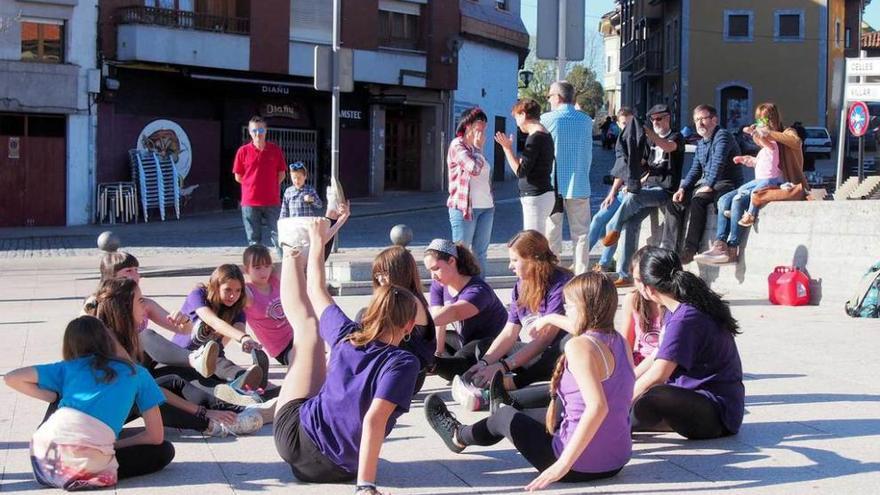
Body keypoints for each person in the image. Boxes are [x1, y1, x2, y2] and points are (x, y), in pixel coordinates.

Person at [423, 272, 634, 490]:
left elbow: (597, 407)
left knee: (503, 415)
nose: (566, 311)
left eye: (569, 306)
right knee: (547, 412)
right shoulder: (619, 342)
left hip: (578, 466)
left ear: (584, 308)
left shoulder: (579, 346)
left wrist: (561, 465)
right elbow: (583, 328)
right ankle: (507, 411)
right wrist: (549, 318)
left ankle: (459, 436)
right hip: (617, 460)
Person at [273, 218, 420, 495]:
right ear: (409, 326)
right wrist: (365, 486)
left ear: (372, 311)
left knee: (307, 331)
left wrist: (317, 242)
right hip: (335, 468)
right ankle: (292, 247)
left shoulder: (347, 335)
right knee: (318, 354)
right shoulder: (402, 362)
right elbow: (375, 420)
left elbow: (316, 289)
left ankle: (292, 248)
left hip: (293, 440)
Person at [4, 316, 175, 489]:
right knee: (164, 450)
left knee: (62, 404)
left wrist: (52, 396)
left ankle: (61, 471)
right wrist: (115, 445)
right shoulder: (138, 373)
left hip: (41, 456)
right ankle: (82, 472)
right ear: (108, 340)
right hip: (83, 461)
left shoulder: (67, 367)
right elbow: (155, 436)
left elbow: (12, 378)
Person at [85, 278, 266, 437]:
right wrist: (203, 415)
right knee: (148, 394)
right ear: (123, 306)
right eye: (140, 301)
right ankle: (212, 425)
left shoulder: (127, 331)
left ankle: (237, 406)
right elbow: (146, 389)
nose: (144, 305)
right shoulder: (103, 338)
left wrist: (185, 321)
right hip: (103, 415)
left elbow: (183, 331)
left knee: (175, 378)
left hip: (134, 391)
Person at [450, 230, 573, 411]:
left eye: (515, 260)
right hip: (537, 351)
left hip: (562, 355)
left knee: (556, 351)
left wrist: (503, 365)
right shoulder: (520, 285)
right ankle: (479, 379)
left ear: (533, 259)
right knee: (483, 348)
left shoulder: (560, 283)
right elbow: (509, 332)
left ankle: (500, 392)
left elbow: (544, 339)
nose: (510, 266)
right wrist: (484, 363)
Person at [631, 247, 744, 439]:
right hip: (702, 402)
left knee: (653, 395)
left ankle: (609, 424)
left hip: (716, 412)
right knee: (639, 399)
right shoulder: (679, 306)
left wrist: (614, 406)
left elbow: (658, 374)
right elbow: (656, 355)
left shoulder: (684, 318)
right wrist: (621, 384)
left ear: (648, 287)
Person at [96, 251, 219, 378]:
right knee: (144, 335)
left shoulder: (144, 304)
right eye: (128, 271)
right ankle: (194, 359)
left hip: (141, 365)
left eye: (136, 270)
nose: (136, 275)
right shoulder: (96, 303)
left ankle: (221, 388)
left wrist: (184, 321)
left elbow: (185, 331)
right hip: (119, 368)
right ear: (111, 276)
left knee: (184, 373)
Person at [600, 104, 685, 286]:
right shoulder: (650, 142)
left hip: (665, 191)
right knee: (630, 224)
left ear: (668, 118)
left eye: (659, 119)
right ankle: (625, 274)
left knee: (633, 196)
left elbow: (668, 147)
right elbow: (644, 164)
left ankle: (612, 226)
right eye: (653, 119)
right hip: (649, 189)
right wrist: (631, 178)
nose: (656, 122)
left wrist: (649, 134)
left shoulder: (676, 136)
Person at [696, 103, 784, 265]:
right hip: (757, 181)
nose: (759, 124)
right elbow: (759, 162)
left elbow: (767, 143)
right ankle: (720, 243)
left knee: (738, 200)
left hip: (767, 182)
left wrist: (753, 133)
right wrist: (746, 160)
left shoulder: (774, 144)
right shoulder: (764, 150)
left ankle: (732, 248)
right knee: (723, 200)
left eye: (763, 121)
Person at [665, 105, 743, 264]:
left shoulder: (723, 136)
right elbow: (695, 169)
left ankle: (690, 249)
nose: (700, 124)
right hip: (708, 183)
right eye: (696, 120)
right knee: (675, 203)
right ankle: (670, 250)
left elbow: (718, 163)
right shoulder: (701, 144)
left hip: (726, 183)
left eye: (703, 119)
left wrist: (709, 184)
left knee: (698, 200)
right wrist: (683, 188)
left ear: (714, 120)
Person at [424, 239, 508, 381]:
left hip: (494, 345)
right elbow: (438, 320)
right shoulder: (439, 285)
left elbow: (452, 312)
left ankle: (430, 364)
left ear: (452, 261)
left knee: (465, 357)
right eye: (430, 271)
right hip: (464, 341)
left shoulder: (478, 291)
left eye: (436, 268)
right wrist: (437, 351)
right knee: (425, 340)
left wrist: (412, 324)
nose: (433, 276)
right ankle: (437, 362)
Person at [541, 81, 594, 274]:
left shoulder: (547, 119)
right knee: (581, 234)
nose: (549, 100)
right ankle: (581, 274)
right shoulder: (587, 120)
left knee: (552, 232)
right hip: (579, 183)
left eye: (550, 96)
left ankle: (553, 273)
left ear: (558, 97)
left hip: (554, 183)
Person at [371, 245, 436, 394]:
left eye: (385, 273)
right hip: (401, 372)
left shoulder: (408, 301)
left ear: (400, 273)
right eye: (377, 274)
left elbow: (378, 337)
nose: (380, 279)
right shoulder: (407, 297)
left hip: (404, 376)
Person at [586, 107, 640, 275]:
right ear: (618, 123)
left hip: (634, 192)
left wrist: (639, 182)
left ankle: (604, 263)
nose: (627, 126)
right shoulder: (621, 139)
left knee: (612, 225)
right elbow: (621, 169)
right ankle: (581, 257)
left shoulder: (640, 138)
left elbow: (647, 166)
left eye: (630, 122)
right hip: (621, 191)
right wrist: (612, 193)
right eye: (624, 123)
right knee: (598, 218)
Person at [494, 98, 555, 235]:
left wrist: (507, 149)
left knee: (533, 242)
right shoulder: (546, 135)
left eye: (516, 117)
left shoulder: (534, 138)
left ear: (523, 114)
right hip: (544, 193)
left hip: (535, 196)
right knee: (539, 239)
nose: (516, 122)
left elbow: (520, 171)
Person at [446, 106, 494, 272]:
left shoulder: (475, 148)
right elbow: (473, 168)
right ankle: (460, 290)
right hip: (464, 208)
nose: (482, 130)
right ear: (467, 126)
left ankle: (480, 291)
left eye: (484, 126)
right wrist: (480, 149)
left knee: (480, 253)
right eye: (479, 126)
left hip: (486, 207)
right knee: (462, 253)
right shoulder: (457, 145)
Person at [234, 115, 287, 254]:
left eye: (261, 131)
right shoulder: (243, 151)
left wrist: (269, 185)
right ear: (250, 132)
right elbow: (238, 176)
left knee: (279, 236)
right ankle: (257, 267)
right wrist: (252, 185)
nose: (258, 134)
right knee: (254, 240)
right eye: (255, 131)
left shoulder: (275, 150)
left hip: (272, 200)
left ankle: (286, 267)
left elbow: (281, 173)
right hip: (250, 202)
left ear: (266, 131)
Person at [241, 244, 294, 366]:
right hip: (282, 349)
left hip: (298, 335)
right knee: (306, 361)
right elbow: (227, 280)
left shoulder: (274, 280)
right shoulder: (248, 292)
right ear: (246, 269)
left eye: (266, 266)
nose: (263, 272)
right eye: (257, 268)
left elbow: (293, 260)